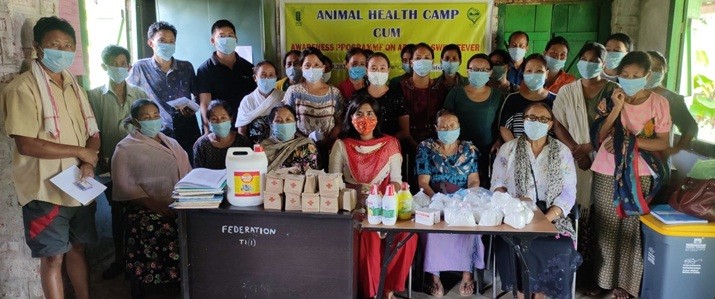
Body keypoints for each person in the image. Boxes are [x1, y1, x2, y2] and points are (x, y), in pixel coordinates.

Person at [0, 16, 100, 299]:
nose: (62, 50)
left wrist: (89, 161)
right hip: (45, 190)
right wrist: (79, 152)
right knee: (53, 258)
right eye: (55, 44)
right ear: (37, 47)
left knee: (79, 250)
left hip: (79, 186)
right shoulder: (23, 88)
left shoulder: (75, 87)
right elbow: (27, 145)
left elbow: (93, 133)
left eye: (68, 45)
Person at [589, 51, 671, 299]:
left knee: (631, 227)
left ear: (647, 77)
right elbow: (599, 137)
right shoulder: (610, 96)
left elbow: (661, 143)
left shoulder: (659, 103)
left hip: (640, 172)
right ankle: (602, 280)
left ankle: (625, 285)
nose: (629, 79)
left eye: (636, 75)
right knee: (605, 224)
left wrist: (628, 142)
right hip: (606, 169)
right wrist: (617, 107)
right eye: (625, 74)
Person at [491, 102, 581, 299]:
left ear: (550, 124)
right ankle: (521, 293)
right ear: (523, 121)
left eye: (543, 119)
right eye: (532, 118)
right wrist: (512, 208)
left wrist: (546, 218)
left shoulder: (562, 151)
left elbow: (568, 192)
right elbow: (497, 185)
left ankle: (540, 293)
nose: (537, 123)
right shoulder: (508, 149)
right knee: (511, 243)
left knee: (560, 246)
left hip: (553, 214)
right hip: (515, 214)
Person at [328, 94, 415, 299]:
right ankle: (371, 292)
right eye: (359, 114)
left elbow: (396, 179)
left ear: (377, 118)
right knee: (368, 236)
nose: (365, 119)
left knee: (408, 237)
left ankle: (388, 290)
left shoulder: (390, 144)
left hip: (385, 204)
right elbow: (333, 182)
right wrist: (360, 194)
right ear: (351, 117)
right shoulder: (341, 145)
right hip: (352, 206)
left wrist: (382, 199)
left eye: (370, 113)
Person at [112, 100, 191, 296]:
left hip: (177, 203)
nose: (153, 120)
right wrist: (154, 205)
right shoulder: (125, 148)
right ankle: (156, 285)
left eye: (155, 115)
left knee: (194, 226)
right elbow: (125, 186)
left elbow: (188, 172)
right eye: (146, 117)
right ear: (136, 122)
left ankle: (185, 283)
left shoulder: (170, 142)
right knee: (161, 228)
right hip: (144, 206)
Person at [87, 44, 148, 279]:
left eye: (124, 63)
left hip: (138, 163)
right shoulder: (93, 96)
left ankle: (141, 258)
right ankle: (120, 260)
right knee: (117, 212)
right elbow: (91, 130)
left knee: (140, 208)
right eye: (115, 63)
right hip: (109, 164)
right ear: (104, 66)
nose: (120, 68)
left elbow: (147, 126)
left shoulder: (140, 95)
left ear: (130, 66)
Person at [416, 110, 483, 297]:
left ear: (459, 127)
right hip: (434, 197)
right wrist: (439, 200)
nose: (448, 129)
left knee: (470, 224)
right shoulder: (426, 147)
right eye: (443, 126)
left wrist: (464, 199)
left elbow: (474, 180)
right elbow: (423, 182)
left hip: (463, 198)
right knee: (432, 226)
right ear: (436, 128)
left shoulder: (469, 149)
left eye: (452, 126)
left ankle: (467, 274)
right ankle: (433, 276)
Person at [127, 21, 201, 162]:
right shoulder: (140, 67)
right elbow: (130, 98)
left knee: (189, 169)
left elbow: (197, 95)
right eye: (162, 40)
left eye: (171, 41)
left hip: (187, 130)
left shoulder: (186, 67)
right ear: (151, 43)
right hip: (157, 132)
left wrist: (192, 108)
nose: (167, 44)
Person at [444, 53, 504, 188]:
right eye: (475, 69)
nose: (479, 73)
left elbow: (501, 124)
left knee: (481, 187)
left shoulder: (498, 96)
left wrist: (499, 140)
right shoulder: (455, 93)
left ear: (490, 72)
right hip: (458, 151)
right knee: (458, 187)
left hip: (486, 150)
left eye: (483, 70)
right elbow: (445, 120)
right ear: (467, 71)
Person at [283, 47, 344, 165]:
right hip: (301, 149)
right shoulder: (293, 91)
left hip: (329, 149)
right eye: (307, 65)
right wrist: (306, 140)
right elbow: (287, 122)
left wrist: (329, 140)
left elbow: (339, 123)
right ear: (301, 67)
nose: (312, 69)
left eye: (316, 65)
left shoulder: (334, 92)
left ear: (323, 67)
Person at [196, 20, 256, 134]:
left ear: (236, 39)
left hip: (245, 128)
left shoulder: (248, 67)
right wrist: (207, 131)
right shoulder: (205, 70)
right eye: (221, 36)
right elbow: (205, 103)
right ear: (213, 41)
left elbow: (253, 99)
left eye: (230, 35)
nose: (226, 39)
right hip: (219, 128)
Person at [646, 50, 699, 164]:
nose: (652, 72)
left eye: (658, 69)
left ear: (664, 72)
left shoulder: (671, 99)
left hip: (657, 161)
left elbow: (691, 127)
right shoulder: (628, 93)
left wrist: (676, 150)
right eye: (649, 68)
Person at [499, 54, 556, 141]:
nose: (534, 74)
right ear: (523, 73)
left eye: (539, 71)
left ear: (546, 73)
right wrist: (516, 148)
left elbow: (558, 129)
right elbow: (504, 127)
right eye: (529, 70)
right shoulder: (513, 99)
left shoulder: (555, 100)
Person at [355, 52, 410, 141]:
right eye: (373, 68)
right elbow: (350, 126)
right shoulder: (357, 96)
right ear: (366, 71)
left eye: (382, 68)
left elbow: (405, 132)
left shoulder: (397, 96)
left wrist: (384, 144)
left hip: (389, 149)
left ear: (388, 70)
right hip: (362, 146)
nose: (378, 72)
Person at [400, 42, 447, 144]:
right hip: (405, 142)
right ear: (411, 62)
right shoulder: (401, 87)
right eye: (418, 58)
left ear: (432, 62)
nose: (422, 61)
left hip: (435, 144)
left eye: (426, 58)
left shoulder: (440, 88)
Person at [235, 60, 285, 142]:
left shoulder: (283, 97)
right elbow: (241, 130)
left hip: (280, 145)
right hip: (255, 148)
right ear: (255, 78)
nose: (267, 78)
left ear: (276, 78)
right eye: (263, 75)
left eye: (271, 75)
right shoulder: (248, 100)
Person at [193, 100, 252, 169]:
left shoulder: (242, 142)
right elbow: (197, 173)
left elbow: (250, 168)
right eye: (214, 119)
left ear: (231, 119)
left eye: (223, 118)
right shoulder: (202, 145)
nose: (219, 122)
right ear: (209, 121)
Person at [261, 105, 319, 174]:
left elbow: (311, 175)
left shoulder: (306, 146)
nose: (284, 124)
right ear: (271, 125)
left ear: (295, 122)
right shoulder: (263, 147)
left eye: (288, 119)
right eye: (278, 120)